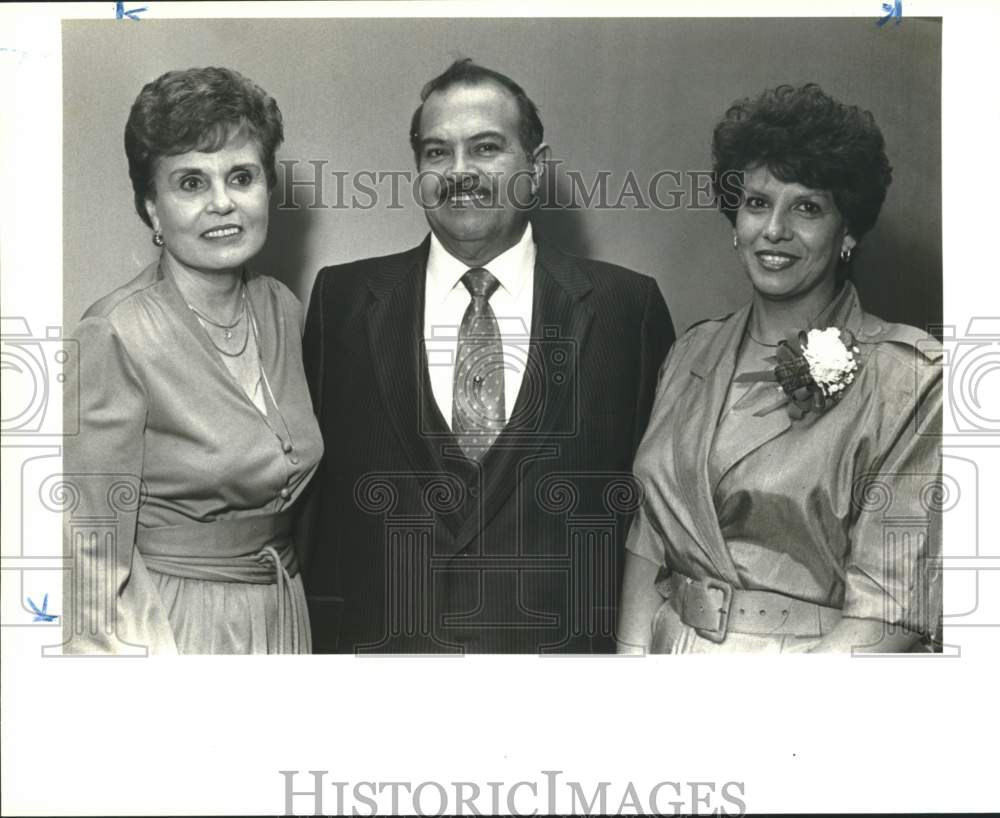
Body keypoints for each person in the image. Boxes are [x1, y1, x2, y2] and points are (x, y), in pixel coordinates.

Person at [303, 58, 675, 653]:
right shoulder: (341, 302)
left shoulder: (627, 309)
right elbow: (312, 518)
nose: (459, 172)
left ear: (536, 165)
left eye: (485, 148)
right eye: (435, 152)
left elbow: (656, 518)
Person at [618, 84, 942, 653]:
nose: (774, 229)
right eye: (758, 203)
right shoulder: (691, 352)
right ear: (734, 218)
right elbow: (650, 534)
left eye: (808, 207)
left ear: (849, 232)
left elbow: (890, 614)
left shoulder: (909, 378)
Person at [62, 67, 323, 654]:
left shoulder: (282, 308)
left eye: (241, 176)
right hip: (174, 626)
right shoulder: (113, 331)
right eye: (190, 183)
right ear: (152, 208)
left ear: (267, 189)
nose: (222, 203)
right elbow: (91, 554)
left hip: (284, 610)